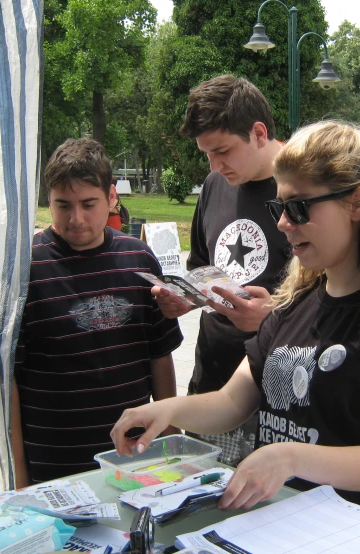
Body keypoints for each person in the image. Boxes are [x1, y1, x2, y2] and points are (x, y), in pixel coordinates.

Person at [112, 121, 360, 517]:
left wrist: (291, 458)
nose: (283, 223)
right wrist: (167, 411)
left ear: (358, 203)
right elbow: (231, 402)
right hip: (279, 526)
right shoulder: (294, 304)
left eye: (298, 207)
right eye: (279, 207)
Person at [0, 138, 183, 487]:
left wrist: (170, 439)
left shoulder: (140, 259)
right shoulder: (21, 269)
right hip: (54, 467)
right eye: (62, 205)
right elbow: (2, 378)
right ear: (48, 201)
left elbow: (160, 354)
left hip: (133, 458)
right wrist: (20, 478)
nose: (77, 218)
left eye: (89, 204)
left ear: (111, 196)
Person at [150, 75, 292, 464]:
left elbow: (331, 294)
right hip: (212, 382)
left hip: (277, 392)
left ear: (259, 133)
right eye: (206, 153)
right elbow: (203, 265)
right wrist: (186, 298)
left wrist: (271, 317)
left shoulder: (302, 187)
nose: (214, 165)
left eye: (223, 151)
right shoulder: (215, 184)